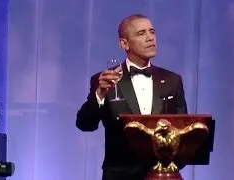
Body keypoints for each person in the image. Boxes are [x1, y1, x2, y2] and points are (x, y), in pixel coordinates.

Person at [76, 14, 188, 180]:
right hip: (120, 175)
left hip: (162, 175)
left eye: (152, 32)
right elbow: (85, 124)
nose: (150, 38)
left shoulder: (173, 80)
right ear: (124, 44)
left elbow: (183, 131)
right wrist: (99, 94)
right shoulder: (105, 79)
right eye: (141, 33)